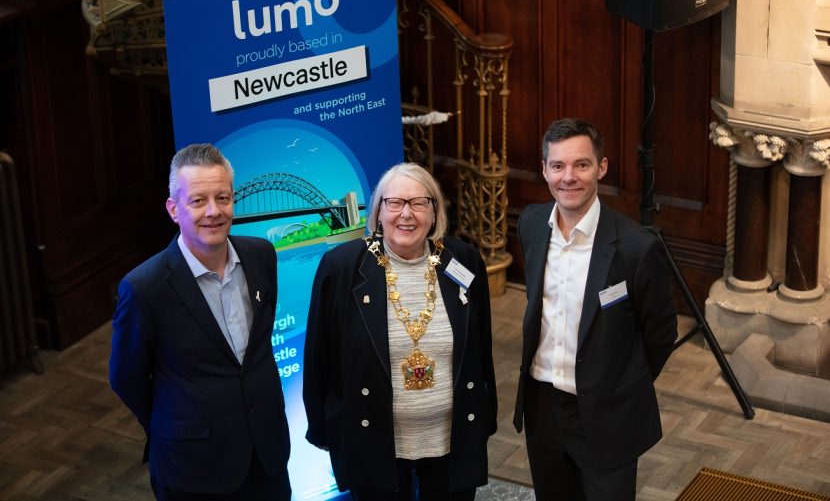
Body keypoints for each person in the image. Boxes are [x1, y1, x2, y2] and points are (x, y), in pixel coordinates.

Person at [303, 162, 497, 501]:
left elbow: (481, 349)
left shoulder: (462, 260)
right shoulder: (342, 268)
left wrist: (485, 417)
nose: (406, 214)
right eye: (395, 203)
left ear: (434, 214)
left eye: (419, 203)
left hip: (451, 440)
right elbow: (319, 357)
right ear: (378, 212)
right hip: (374, 441)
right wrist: (323, 429)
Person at [109, 143, 291, 501]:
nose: (214, 211)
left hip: (268, 454)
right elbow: (126, 379)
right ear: (173, 209)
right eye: (198, 201)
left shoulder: (261, 256)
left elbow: (258, 347)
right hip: (195, 470)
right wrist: (172, 426)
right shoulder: (144, 288)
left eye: (223, 198)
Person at [513, 119, 678, 501]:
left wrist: (619, 382)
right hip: (543, 408)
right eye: (558, 166)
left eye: (581, 165)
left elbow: (660, 335)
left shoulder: (636, 247)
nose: (568, 177)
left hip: (608, 415)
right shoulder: (532, 224)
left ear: (601, 168)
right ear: (544, 170)